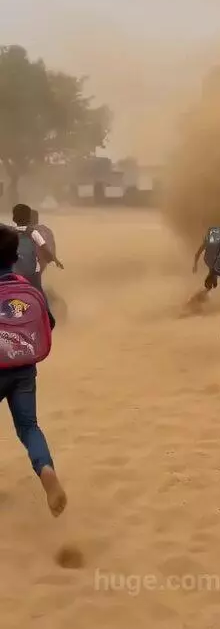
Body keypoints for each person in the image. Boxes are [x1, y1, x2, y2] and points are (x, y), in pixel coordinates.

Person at [0, 225, 67, 516]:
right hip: (24, 368)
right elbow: (48, 323)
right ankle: (47, 471)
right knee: (29, 428)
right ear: (15, 256)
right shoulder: (26, 286)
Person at [12, 204, 63, 291]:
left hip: (15, 271)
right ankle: (44, 303)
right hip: (33, 272)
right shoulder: (34, 232)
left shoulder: (10, 232)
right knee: (39, 293)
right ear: (29, 219)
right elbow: (44, 248)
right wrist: (54, 260)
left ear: (14, 219)